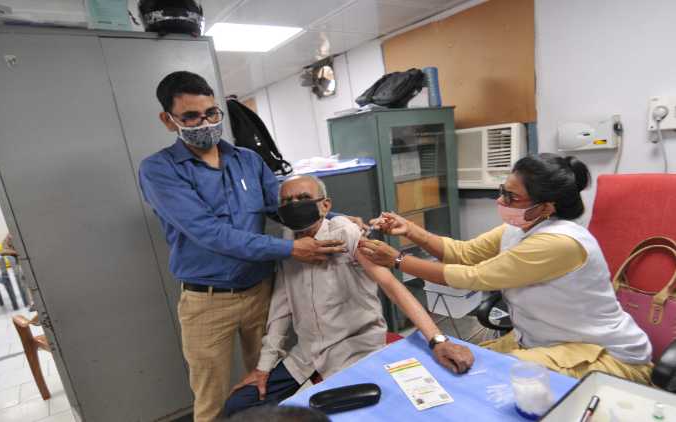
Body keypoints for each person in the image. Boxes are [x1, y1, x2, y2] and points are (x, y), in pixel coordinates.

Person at [138, 71, 348, 422]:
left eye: (211, 113)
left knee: (261, 387)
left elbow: (282, 210)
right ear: (168, 120)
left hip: (262, 294)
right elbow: (210, 234)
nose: (204, 123)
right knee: (211, 400)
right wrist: (290, 250)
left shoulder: (247, 161)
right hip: (207, 302)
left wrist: (336, 220)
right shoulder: (159, 170)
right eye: (191, 116)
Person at [358, 153, 652, 383]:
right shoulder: (521, 225)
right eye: (502, 191)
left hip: (602, 354)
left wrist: (397, 260)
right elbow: (464, 253)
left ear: (547, 207)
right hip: (542, 341)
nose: (500, 201)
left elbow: (474, 277)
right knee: (460, 368)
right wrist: (409, 229)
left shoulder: (560, 242)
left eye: (511, 197)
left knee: (493, 383)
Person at [222, 175, 474, 417]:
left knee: (372, 411)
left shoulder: (345, 233)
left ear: (325, 205)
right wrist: (263, 368)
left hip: (355, 348)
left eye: (303, 197)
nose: (295, 205)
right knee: (239, 405)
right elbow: (280, 310)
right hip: (307, 354)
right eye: (287, 202)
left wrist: (437, 340)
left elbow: (392, 287)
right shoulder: (289, 246)